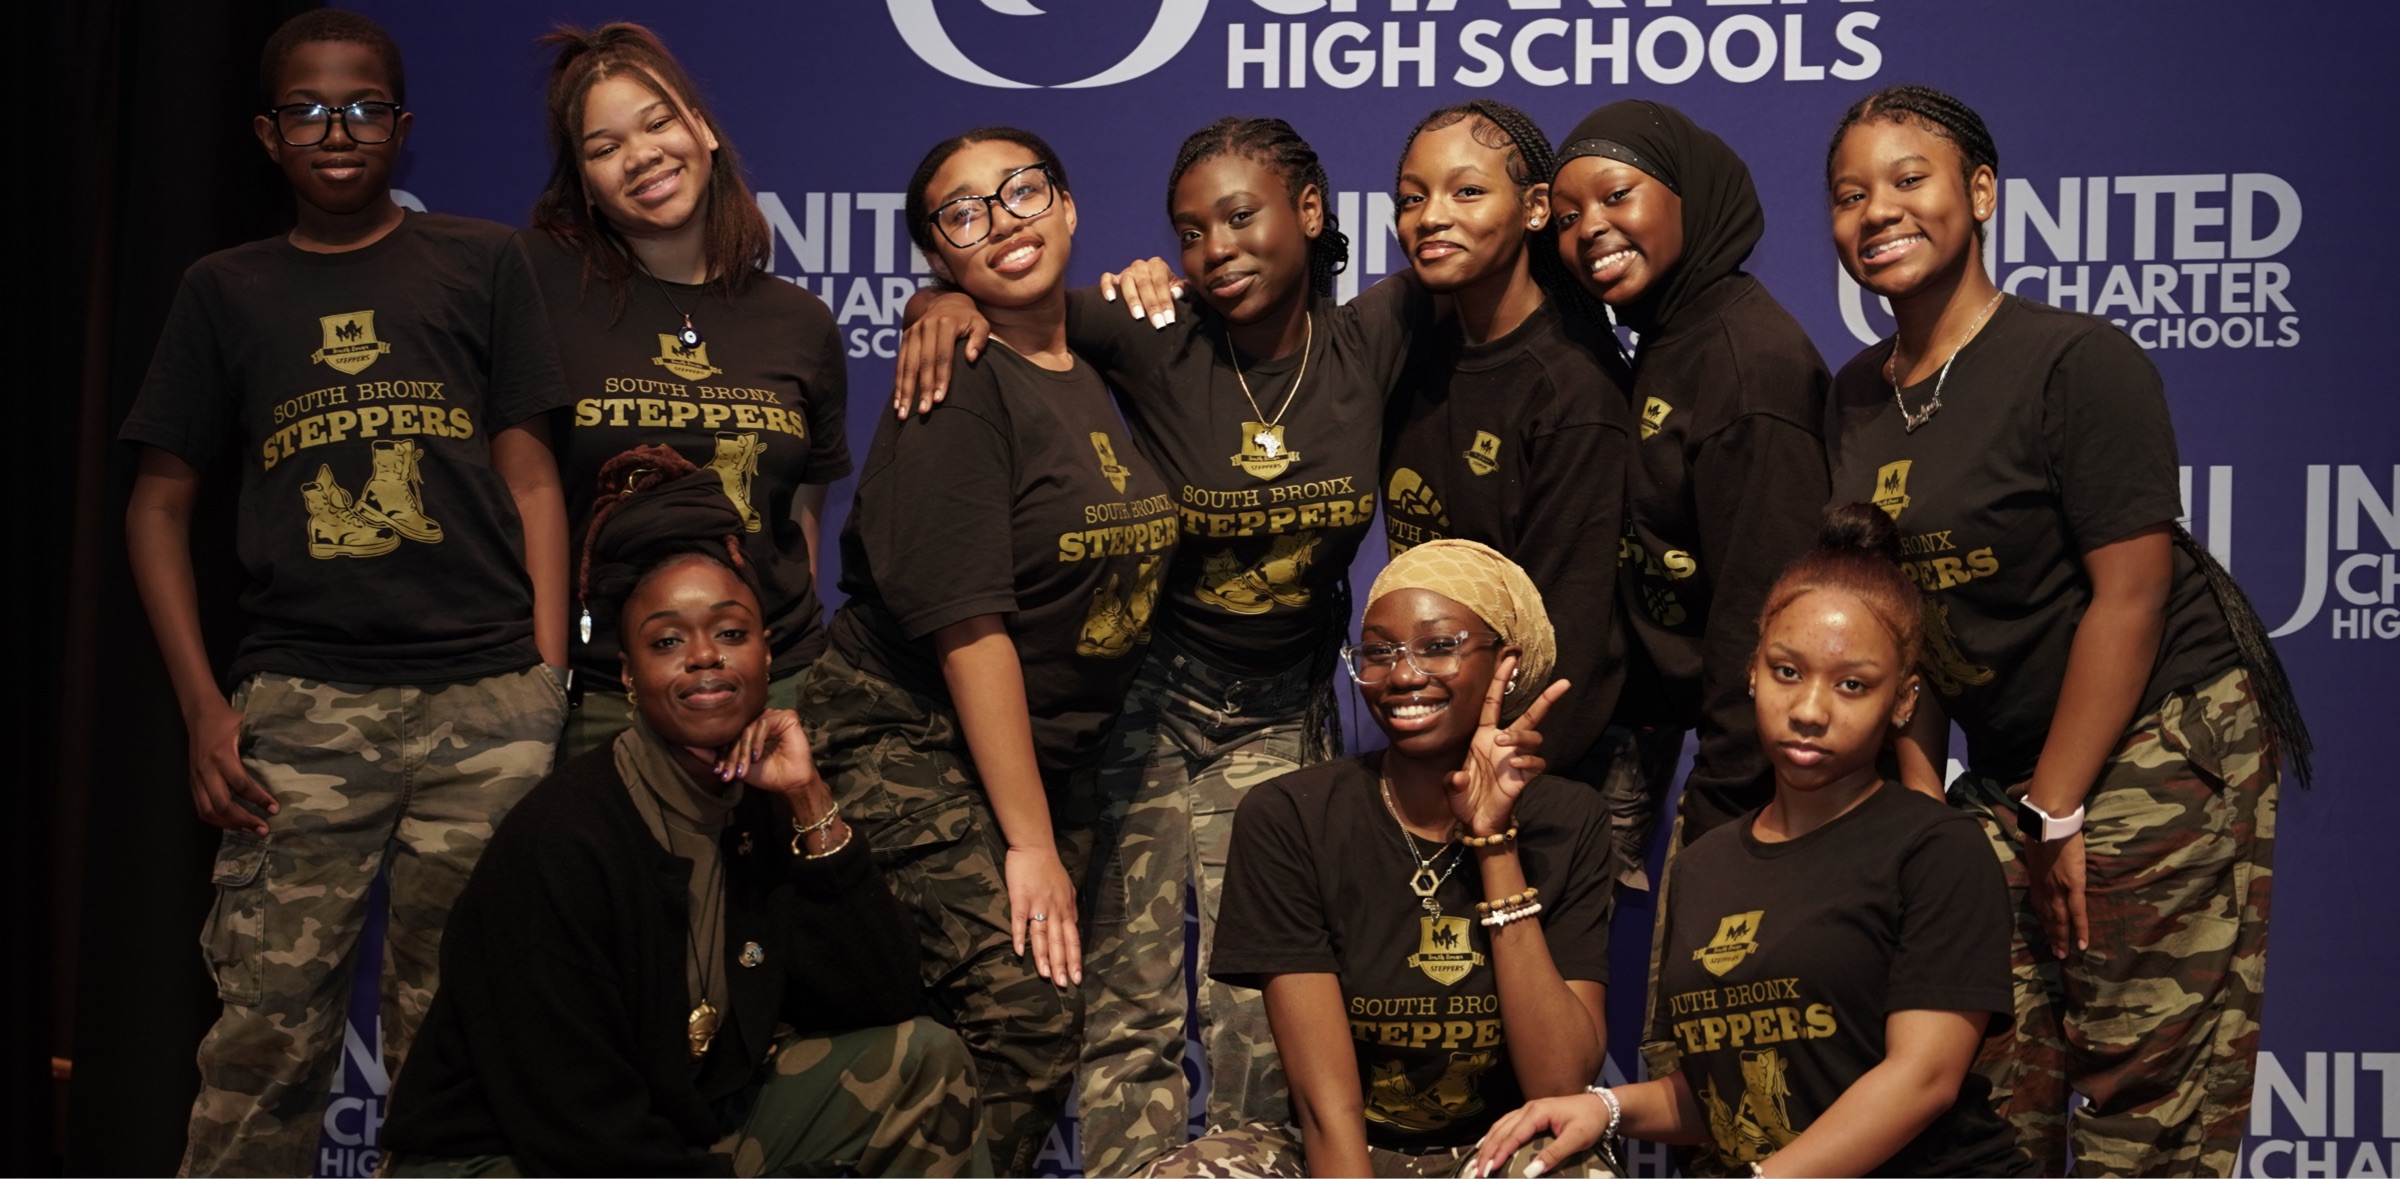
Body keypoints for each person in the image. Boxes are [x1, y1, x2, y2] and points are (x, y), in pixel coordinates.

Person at [894, 116, 1433, 1175]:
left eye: (1240, 216)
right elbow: (1013, 305)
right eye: (1191, 230)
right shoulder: (1153, 330)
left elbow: (1485, 239)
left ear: (1310, 212)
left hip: (1283, 710)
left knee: (1256, 1006)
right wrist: (938, 298)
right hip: (1152, 704)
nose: (1214, 248)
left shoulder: (1372, 340)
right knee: (1128, 997)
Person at [1821, 85, 2308, 1178]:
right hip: (2002, 774)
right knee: (1994, 1082)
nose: (1877, 211)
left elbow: (2129, 596)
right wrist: (1924, 820)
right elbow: (1900, 627)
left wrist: (2059, 809)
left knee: (2145, 1085)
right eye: (1850, 195)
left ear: (1980, 193)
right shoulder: (1852, 396)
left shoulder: (2074, 361)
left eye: (1910, 179)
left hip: (2152, 741)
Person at [119, 11, 571, 1174]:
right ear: (269, 136)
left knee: (459, 1045)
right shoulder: (226, 288)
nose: (339, 130)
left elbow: (529, 472)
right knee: (264, 1047)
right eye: (311, 110)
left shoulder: (483, 262)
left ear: (403, 128)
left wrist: (545, 675)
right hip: (300, 714)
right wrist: (204, 710)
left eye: (365, 107)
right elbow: (156, 505)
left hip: (485, 707)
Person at [381, 452, 981, 1176]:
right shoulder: (564, 840)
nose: (704, 657)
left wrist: (810, 803)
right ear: (631, 675)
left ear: (767, 653)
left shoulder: (762, 806)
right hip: (511, 1158)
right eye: (668, 641)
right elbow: (581, 1133)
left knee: (923, 1059)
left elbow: (881, 995)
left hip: (668, 1129)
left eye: (731, 633)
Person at [805, 125, 1177, 1175]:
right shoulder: (959, 378)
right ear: (937, 255)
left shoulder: (1099, 354)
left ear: (1065, 204)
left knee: (1035, 1023)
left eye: (1021, 192)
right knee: (1025, 1014)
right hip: (906, 731)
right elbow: (972, 629)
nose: (1002, 221)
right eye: (963, 214)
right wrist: (1029, 846)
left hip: (1045, 752)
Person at [1471, 505, 2034, 1179]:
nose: (1809, 709)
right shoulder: (1706, 864)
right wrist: (1606, 1107)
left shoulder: (1935, 849)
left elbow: (1923, 1079)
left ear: (1905, 700)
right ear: (1752, 671)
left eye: (1852, 684)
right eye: (1787, 670)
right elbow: (1731, 1093)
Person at [1151, 539, 1615, 1179]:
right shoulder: (1292, 817)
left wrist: (1495, 843)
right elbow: (1325, 1109)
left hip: (1500, 1150)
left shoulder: (1569, 821)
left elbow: (1559, 1081)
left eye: (1438, 646)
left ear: (1505, 663)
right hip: (1342, 1153)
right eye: (1378, 651)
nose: (1402, 675)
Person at [518, 23, 850, 760]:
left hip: (777, 692)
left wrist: (942, 301)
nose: (640, 156)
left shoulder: (800, 322)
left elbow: (798, 520)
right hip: (605, 694)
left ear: (703, 132)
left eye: (659, 122)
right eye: (603, 149)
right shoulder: (537, 290)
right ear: (586, 188)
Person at [1548, 99, 1832, 880]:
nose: (1589, 230)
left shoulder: (1748, 365)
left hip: (1755, 785)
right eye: (1567, 216)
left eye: (1616, 196)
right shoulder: (1671, 336)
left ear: (1688, 194)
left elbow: (1768, 621)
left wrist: (1724, 819)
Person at [1383, 99, 1633, 830]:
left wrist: (1490, 778)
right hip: (1429, 747)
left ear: (1532, 209)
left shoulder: (1573, 390)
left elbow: (1571, 642)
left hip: (1535, 764)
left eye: (1465, 191)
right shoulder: (1405, 353)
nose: (1430, 216)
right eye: (1411, 197)